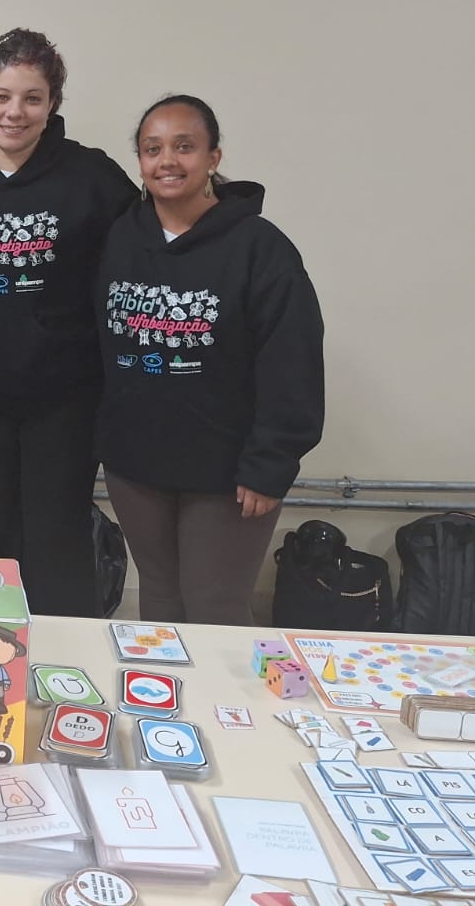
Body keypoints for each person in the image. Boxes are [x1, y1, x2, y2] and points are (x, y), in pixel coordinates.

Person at [0, 29, 136, 616]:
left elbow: (140, 260)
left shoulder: (91, 176)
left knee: (56, 528)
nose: (15, 112)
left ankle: (62, 654)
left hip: (66, 392)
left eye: (32, 98)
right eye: (2, 96)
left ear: (52, 103)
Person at [97, 94, 324, 626]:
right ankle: (160, 687)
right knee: (158, 600)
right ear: (140, 160)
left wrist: (270, 464)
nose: (167, 161)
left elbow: (291, 361)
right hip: (136, 464)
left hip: (228, 472)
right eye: (153, 149)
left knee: (214, 609)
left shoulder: (260, 248)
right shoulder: (120, 238)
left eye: (185, 147)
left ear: (213, 157)